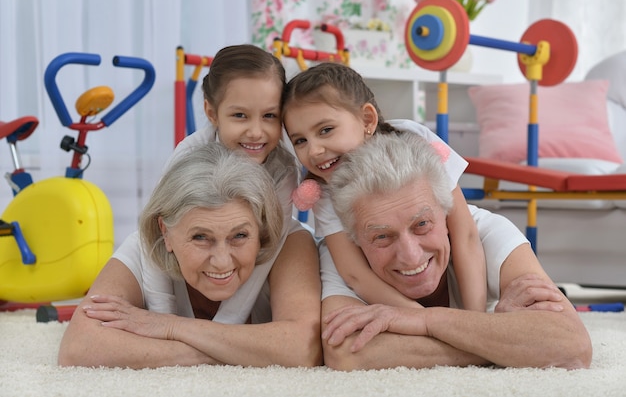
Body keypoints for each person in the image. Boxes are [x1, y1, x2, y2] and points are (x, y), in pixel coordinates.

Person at [320, 132, 592, 370]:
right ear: (354, 239)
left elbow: (572, 344)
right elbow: (346, 354)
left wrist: (423, 321)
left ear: (448, 214)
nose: (411, 255)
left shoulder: (489, 233)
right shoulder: (341, 258)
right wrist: (502, 340)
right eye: (382, 236)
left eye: (422, 225)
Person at [58, 143, 322, 368]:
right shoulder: (143, 246)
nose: (222, 260)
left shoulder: (291, 243)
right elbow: (78, 346)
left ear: (261, 228)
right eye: (200, 237)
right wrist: (231, 352)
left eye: (240, 236)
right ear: (166, 231)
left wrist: (171, 327)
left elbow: (302, 348)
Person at [282, 62, 487, 312]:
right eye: (300, 141)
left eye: (326, 130)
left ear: (367, 120)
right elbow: (355, 274)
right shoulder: (325, 191)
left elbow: (465, 234)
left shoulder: (411, 138)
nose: (313, 151)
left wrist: (475, 318)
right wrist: (423, 320)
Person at [135, 44, 315, 323]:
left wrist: (226, 325)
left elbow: (267, 254)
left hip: (251, 259)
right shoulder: (188, 153)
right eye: (240, 115)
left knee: (299, 236)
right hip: (200, 253)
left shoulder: (283, 169)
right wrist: (162, 315)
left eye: (269, 116)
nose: (256, 132)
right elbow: (158, 234)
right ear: (211, 112)